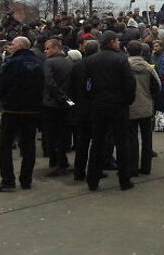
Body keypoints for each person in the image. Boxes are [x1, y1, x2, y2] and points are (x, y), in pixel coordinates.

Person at [0, 37, 44, 192]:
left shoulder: (11, 63)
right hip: (32, 110)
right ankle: (26, 180)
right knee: (29, 145)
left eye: (13, 44)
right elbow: (43, 84)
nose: (10, 47)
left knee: (5, 146)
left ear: (20, 46)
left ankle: (8, 180)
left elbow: (1, 85)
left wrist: (5, 101)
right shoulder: (39, 63)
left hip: (12, 109)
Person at [85, 31, 136, 191]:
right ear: (112, 41)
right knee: (122, 143)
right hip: (118, 105)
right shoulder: (121, 59)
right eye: (117, 41)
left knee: (97, 142)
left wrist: (92, 98)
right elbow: (129, 83)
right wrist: (127, 101)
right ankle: (124, 180)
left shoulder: (91, 60)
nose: (119, 43)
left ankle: (93, 179)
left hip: (99, 105)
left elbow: (87, 84)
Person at [127, 40, 161, 176]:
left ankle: (132, 168)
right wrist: (149, 96)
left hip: (130, 107)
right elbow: (157, 86)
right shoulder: (148, 67)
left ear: (127, 50)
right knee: (147, 139)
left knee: (131, 138)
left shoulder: (124, 66)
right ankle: (146, 167)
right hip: (146, 106)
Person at [69, 40, 100, 181]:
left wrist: (73, 104)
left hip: (81, 108)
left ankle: (78, 171)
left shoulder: (77, 66)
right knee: (97, 142)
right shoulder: (99, 66)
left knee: (82, 142)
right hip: (96, 108)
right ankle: (95, 171)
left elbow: (70, 90)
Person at [42, 38, 74, 176]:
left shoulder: (49, 63)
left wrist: (61, 97)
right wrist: (69, 100)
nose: (45, 51)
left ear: (55, 48)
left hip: (52, 104)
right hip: (66, 104)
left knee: (51, 134)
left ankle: (56, 161)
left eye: (48, 48)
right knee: (63, 132)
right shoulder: (69, 63)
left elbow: (49, 82)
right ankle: (61, 160)